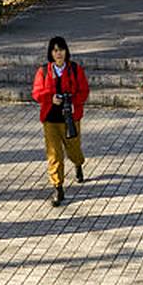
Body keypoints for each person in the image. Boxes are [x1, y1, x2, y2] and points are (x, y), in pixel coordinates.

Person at [31, 36, 90, 206]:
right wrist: (50, 98)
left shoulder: (74, 69)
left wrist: (73, 102)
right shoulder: (43, 71)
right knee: (54, 154)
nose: (59, 54)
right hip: (51, 119)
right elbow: (36, 93)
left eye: (61, 50)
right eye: (55, 50)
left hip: (70, 118)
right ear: (51, 53)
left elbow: (84, 91)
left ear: (66, 51)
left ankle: (78, 164)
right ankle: (58, 187)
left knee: (73, 149)